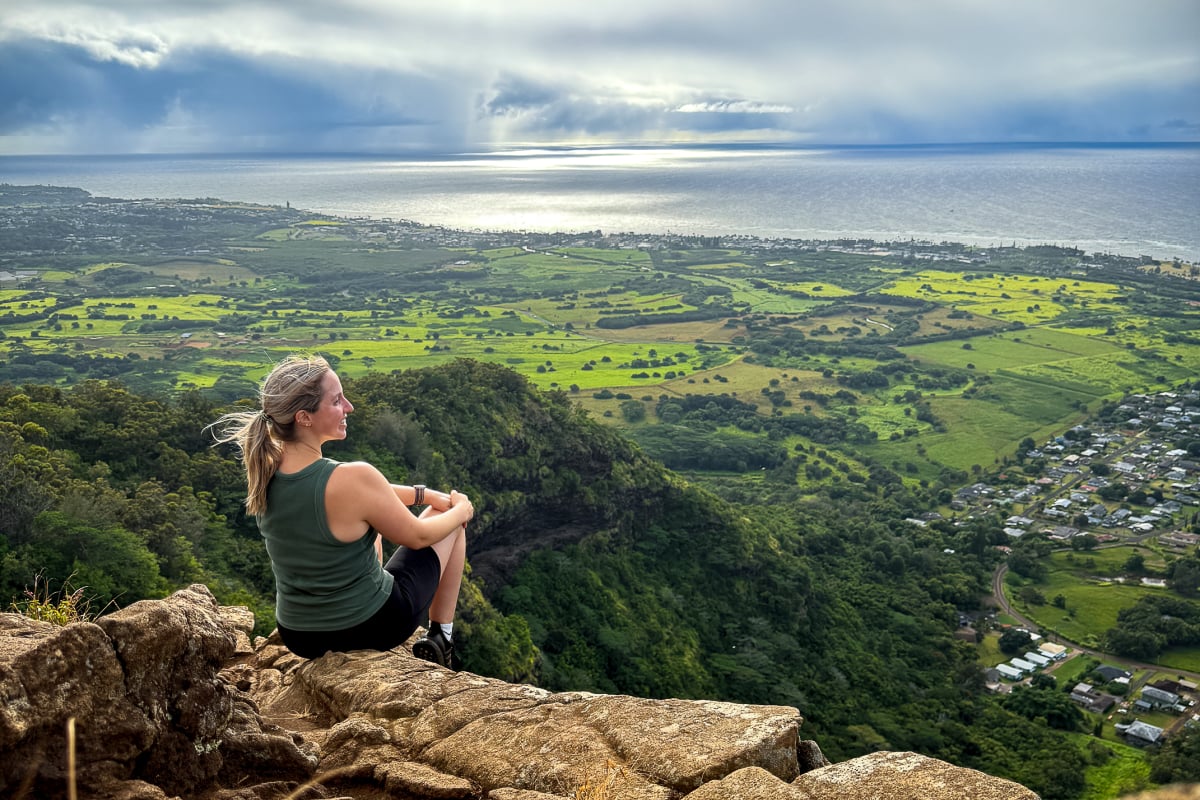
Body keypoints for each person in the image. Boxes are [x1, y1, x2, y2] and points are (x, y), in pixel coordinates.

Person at [207, 354, 472, 667]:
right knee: (446, 524)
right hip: (373, 625)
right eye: (337, 401)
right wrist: (460, 510)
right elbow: (418, 536)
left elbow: (366, 497)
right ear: (304, 417)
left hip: (300, 635)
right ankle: (442, 636)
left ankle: (434, 632)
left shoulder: (265, 469)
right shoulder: (352, 477)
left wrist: (422, 494)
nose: (349, 407)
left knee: (368, 532)